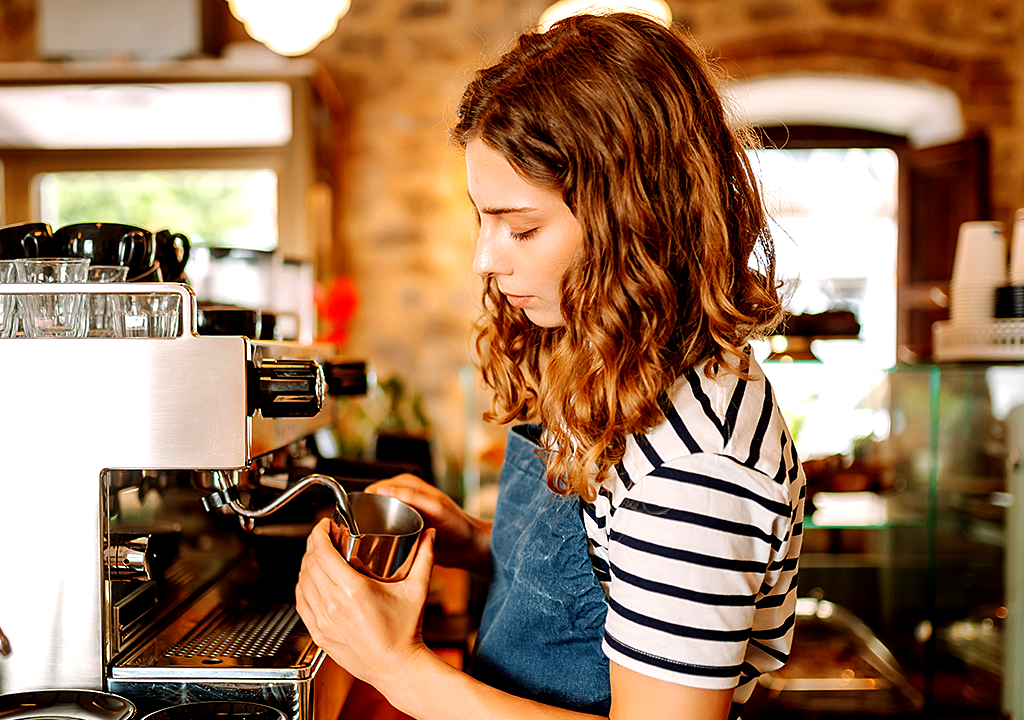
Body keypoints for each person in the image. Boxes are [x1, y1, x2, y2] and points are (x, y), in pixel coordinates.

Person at [294, 11, 805, 720]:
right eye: (483, 219)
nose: (486, 258)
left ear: (636, 214)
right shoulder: (626, 359)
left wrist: (395, 667)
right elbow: (609, 571)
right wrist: (480, 543)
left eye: (522, 226)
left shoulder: (695, 464)